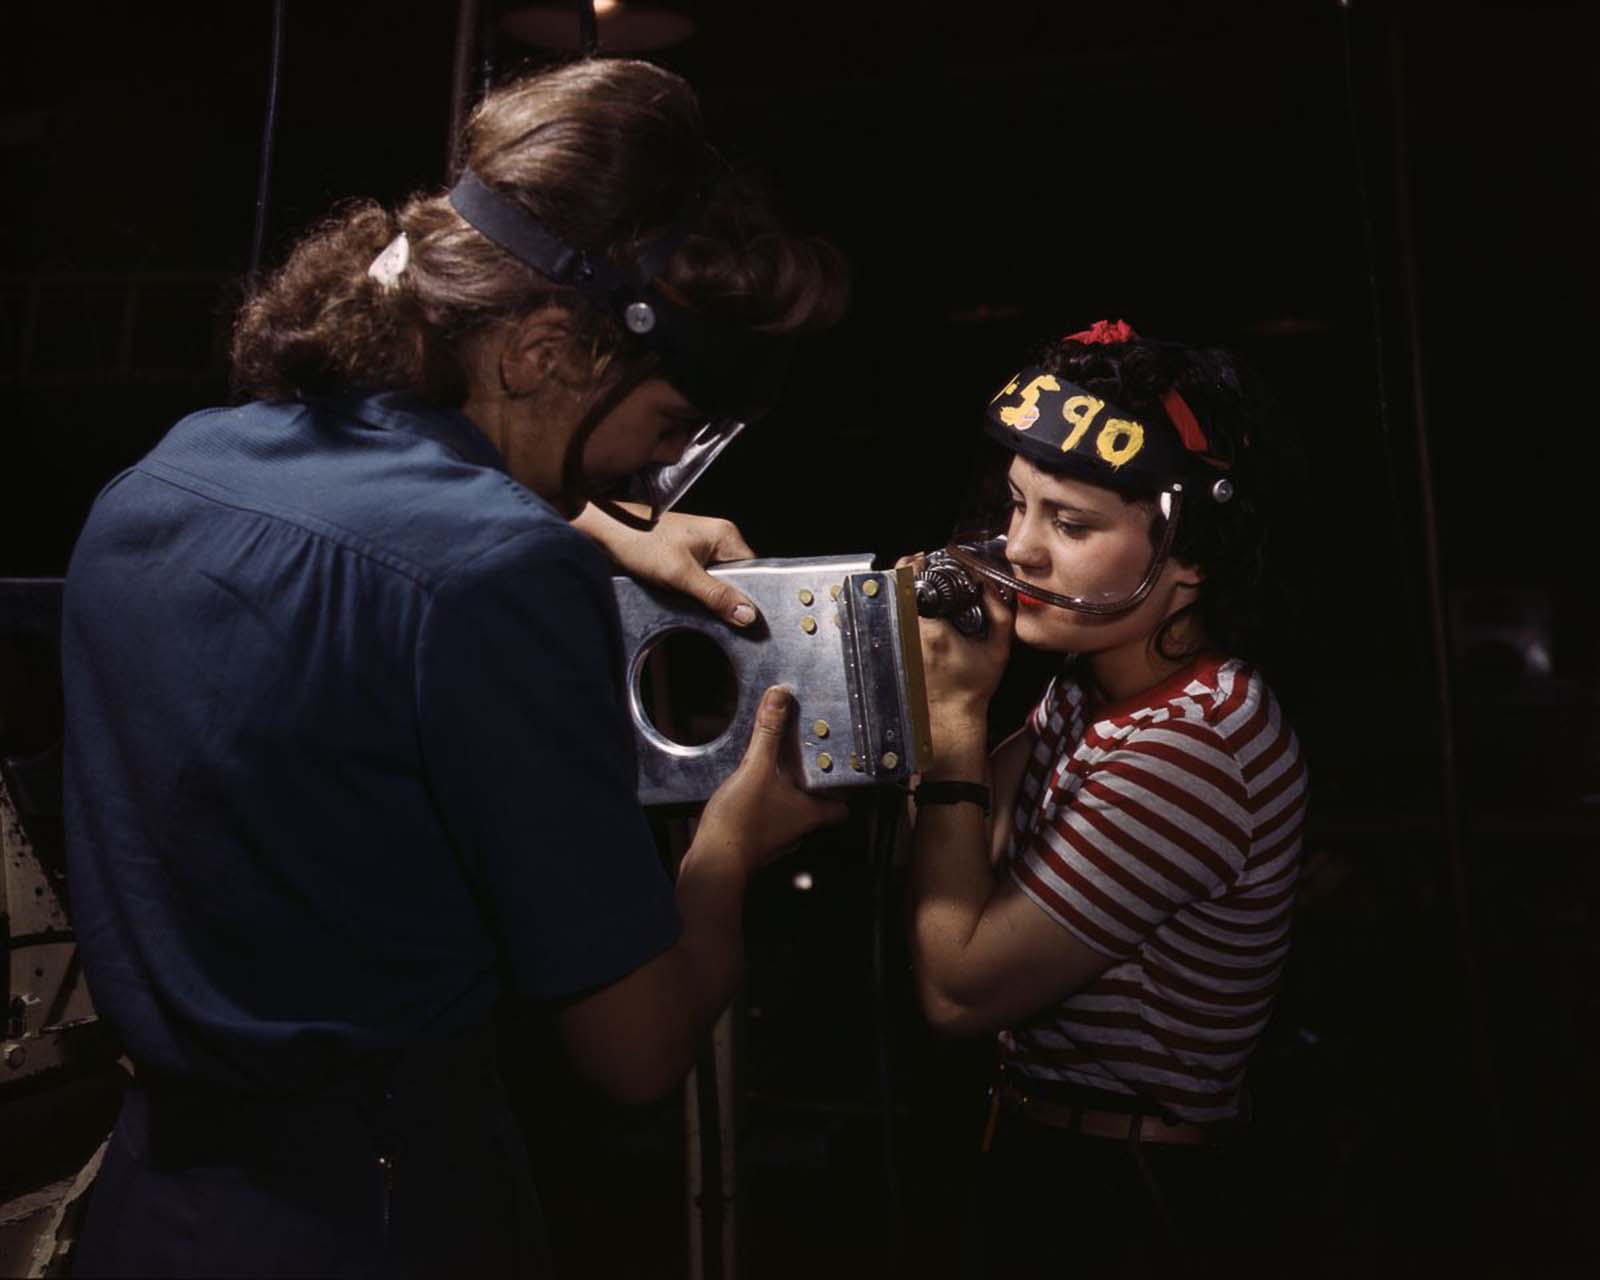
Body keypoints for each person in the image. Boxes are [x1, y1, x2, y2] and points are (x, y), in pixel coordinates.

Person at [62, 58, 848, 1278]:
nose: (649, 479)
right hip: (377, 1213)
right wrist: (734, 844)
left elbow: (373, 531)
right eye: (660, 433)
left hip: (152, 1198)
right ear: (544, 350)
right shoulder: (500, 579)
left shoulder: (164, 476)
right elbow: (631, 1048)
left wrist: (585, 521)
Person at [903, 320, 1307, 1276]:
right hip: (1056, 1158)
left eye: (1071, 525)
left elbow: (956, 986)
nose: (1020, 550)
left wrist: (957, 716)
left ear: (1194, 555)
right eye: (1016, 506)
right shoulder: (1092, 690)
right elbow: (950, 836)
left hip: (1125, 1194)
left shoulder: (1195, 742)